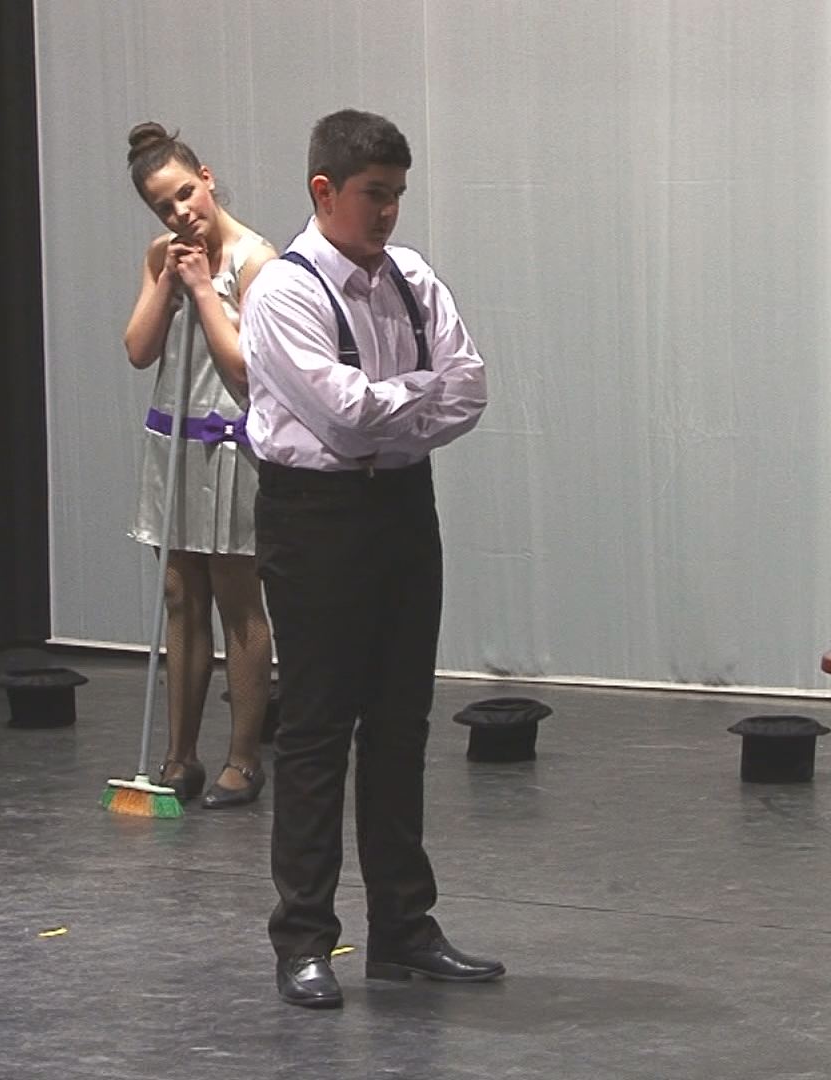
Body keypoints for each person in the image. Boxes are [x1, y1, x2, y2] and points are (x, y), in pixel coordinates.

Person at [239, 108, 497, 1011]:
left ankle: (402, 930)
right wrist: (413, 399)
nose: (388, 213)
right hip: (315, 518)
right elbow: (344, 417)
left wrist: (395, 404)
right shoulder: (284, 291)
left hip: (402, 507)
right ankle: (305, 939)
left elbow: (471, 391)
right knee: (316, 728)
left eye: (397, 196)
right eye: (373, 195)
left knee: (400, 723)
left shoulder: (413, 279)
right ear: (325, 191)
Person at [120, 122, 277, 809]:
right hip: (176, 446)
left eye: (186, 194)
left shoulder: (256, 262)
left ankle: (243, 758)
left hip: (233, 445)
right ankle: (179, 755)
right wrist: (169, 280)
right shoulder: (164, 255)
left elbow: (245, 371)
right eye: (164, 207)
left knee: (238, 597)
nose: (180, 213)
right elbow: (139, 350)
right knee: (181, 596)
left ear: (206, 179)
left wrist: (205, 290)